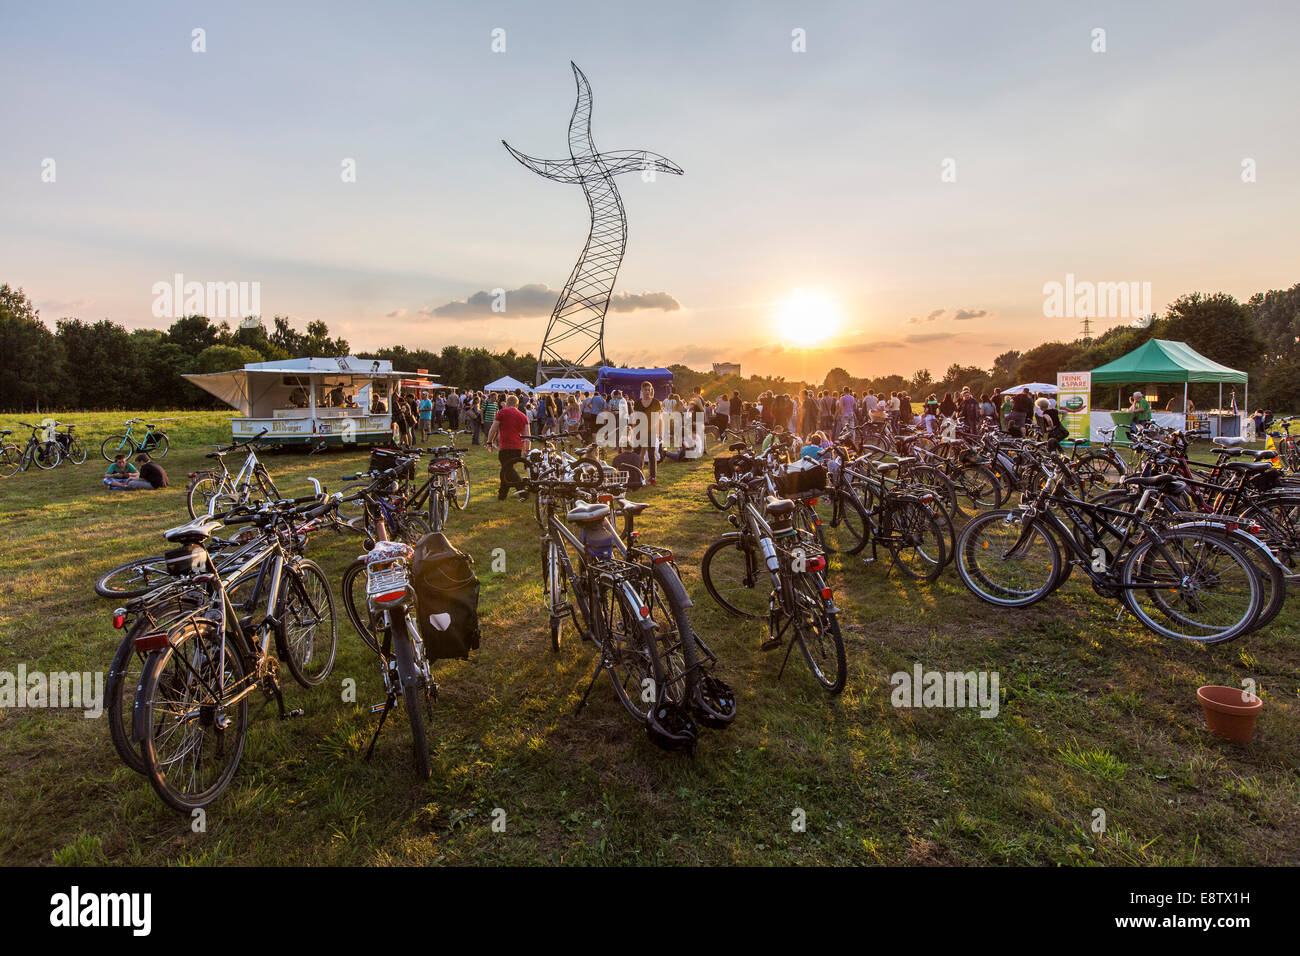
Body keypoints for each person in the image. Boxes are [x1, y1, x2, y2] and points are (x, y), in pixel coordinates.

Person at [487, 394, 530, 500]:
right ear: (517, 404)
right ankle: (502, 494)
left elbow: (493, 428)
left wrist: (489, 442)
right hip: (517, 447)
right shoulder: (523, 416)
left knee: (508, 469)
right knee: (506, 469)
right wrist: (527, 449)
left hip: (505, 446)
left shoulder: (501, 413)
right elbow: (527, 435)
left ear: (506, 403)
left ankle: (523, 491)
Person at [631, 381, 662, 485]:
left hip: (651, 432)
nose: (647, 392)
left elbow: (658, 419)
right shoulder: (637, 403)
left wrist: (660, 433)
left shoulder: (656, 402)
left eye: (649, 390)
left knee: (651, 455)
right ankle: (637, 475)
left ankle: (652, 477)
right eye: (645, 390)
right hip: (639, 432)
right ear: (641, 391)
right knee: (637, 454)